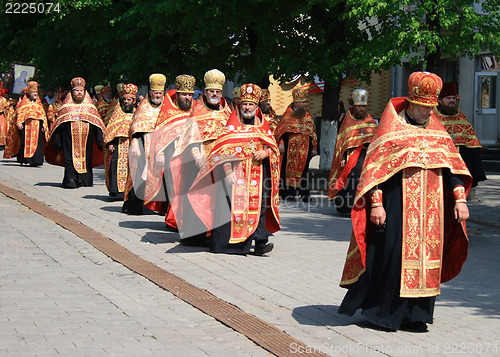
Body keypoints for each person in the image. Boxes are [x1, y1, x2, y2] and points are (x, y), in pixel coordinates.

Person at [338, 71, 472, 333]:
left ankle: (417, 314)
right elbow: (373, 172)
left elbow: (452, 169)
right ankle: (385, 314)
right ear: (411, 103)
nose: (428, 113)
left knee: (427, 259)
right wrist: (376, 204)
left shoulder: (438, 133)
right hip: (396, 207)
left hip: (432, 212)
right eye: (423, 107)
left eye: (431, 107)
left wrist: (460, 200)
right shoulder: (390, 130)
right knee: (393, 258)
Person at [188, 84, 280, 255]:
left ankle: (260, 242)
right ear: (240, 105)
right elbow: (223, 151)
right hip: (234, 176)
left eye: (251, 104)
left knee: (258, 208)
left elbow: (273, 148)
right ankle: (229, 245)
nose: (247, 107)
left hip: (258, 176)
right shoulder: (231, 125)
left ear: (256, 106)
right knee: (230, 209)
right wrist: (228, 171)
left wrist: (265, 152)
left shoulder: (262, 123)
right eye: (244, 104)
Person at [170, 69, 232, 244]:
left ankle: (216, 235)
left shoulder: (227, 113)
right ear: (205, 92)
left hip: (220, 163)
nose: (214, 94)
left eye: (217, 91)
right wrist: (197, 154)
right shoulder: (197, 111)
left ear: (221, 93)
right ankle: (194, 236)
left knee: (218, 199)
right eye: (211, 91)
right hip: (200, 162)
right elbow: (189, 138)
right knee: (196, 196)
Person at [145, 74, 196, 229]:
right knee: (175, 189)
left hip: (191, 157)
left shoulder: (196, 109)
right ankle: (173, 221)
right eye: (183, 94)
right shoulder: (168, 110)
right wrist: (159, 153)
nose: (186, 97)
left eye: (189, 94)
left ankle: (185, 221)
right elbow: (159, 133)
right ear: (178, 94)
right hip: (172, 156)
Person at [46, 77, 106, 188]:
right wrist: (57, 142)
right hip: (69, 139)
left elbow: (97, 123)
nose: (79, 93)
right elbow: (60, 123)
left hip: (86, 139)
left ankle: (84, 180)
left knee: (86, 157)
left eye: (81, 90)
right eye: (76, 90)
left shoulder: (90, 107)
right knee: (69, 158)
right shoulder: (66, 107)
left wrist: (100, 141)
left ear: (84, 92)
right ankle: (70, 179)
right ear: (72, 92)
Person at [122, 73, 167, 215]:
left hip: (162, 147)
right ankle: (136, 206)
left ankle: (160, 207)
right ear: (150, 91)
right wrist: (134, 143)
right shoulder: (143, 107)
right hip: (144, 146)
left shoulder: (166, 107)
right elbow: (134, 128)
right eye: (155, 92)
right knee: (141, 175)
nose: (158, 95)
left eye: (160, 93)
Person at [328, 89, 377, 214]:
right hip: (351, 157)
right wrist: (343, 158)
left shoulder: (370, 121)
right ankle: (347, 206)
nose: (362, 109)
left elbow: (375, 138)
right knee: (350, 182)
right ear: (354, 106)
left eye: (364, 106)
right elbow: (342, 142)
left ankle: (360, 207)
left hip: (365, 156)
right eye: (359, 106)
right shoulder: (348, 121)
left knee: (361, 181)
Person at [436, 82, 487, 188]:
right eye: (448, 98)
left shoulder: (462, 120)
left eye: (454, 98)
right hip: (441, 167)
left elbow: (472, 145)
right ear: (440, 101)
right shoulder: (434, 119)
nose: (451, 101)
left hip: (460, 169)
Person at [274, 87, 317, 202]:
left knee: (304, 172)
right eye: (303, 102)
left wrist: (314, 147)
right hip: (289, 149)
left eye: (306, 102)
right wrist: (281, 144)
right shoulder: (287, 115)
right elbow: (280, 132)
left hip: (305, 150)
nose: (305, 104)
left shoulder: (307, 116)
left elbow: (313, 132)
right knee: (287, 171)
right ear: (296, 103)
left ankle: (304, 194)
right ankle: (288, 193)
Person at [103, 84, 138, 197]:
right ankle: (116, 191)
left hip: (133, 145)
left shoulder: (138, 113)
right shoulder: (117, 113)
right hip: (118, 145)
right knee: (115, 165)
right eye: (125, 99)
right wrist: (110, 143)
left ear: (134, 101)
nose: (126, 102)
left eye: (129, 99)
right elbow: (111, 130)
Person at [4, 81, 48, 166]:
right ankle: (25, 159)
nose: (35, 94)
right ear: (29, 93)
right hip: (26, 126)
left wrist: (44, 124)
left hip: (37, 126)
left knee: (37, 143)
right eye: (33, 92)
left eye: (36, 92)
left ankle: (36, 160)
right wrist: (19, 122)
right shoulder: (24, 103)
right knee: (24, 142)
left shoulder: (39, 104)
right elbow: (19, 113)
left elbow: (43, 115)